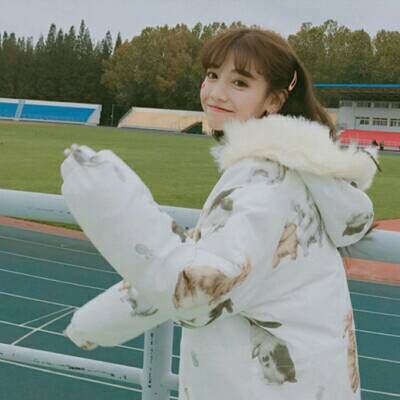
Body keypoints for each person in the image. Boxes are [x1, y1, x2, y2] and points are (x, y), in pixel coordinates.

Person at [61, 28, 379, 400]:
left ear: (273, 100)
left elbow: (201, 293)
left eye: (239, 82)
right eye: (212, 75)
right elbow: (210, 259)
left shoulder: (264, 182)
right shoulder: (296, 171)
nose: (216, 92)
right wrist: (92, 324)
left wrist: (105, 198)